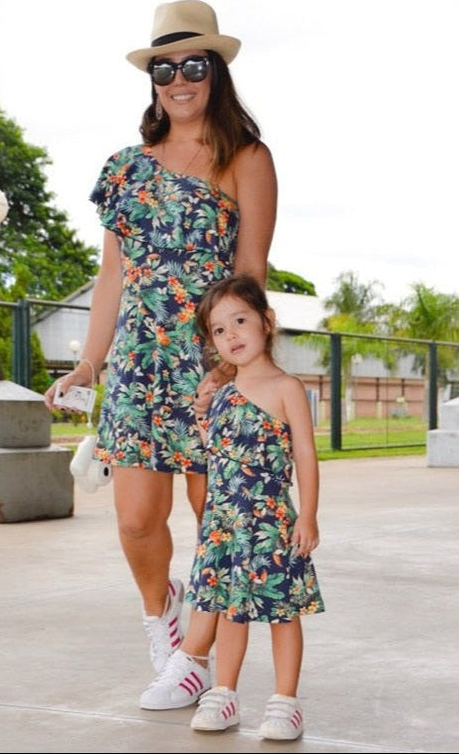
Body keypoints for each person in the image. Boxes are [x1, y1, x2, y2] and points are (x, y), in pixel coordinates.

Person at [44, 0, 277, 684]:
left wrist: (235, 370)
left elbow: (251, 275)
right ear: (153, 78)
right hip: (139, 368)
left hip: (210, 365)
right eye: (164, 67)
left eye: (192, 65)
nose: (178, 79)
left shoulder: (246, 157)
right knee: (137, 520)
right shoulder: (124, 169)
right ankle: (161, 619)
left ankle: (194, 659)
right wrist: (90, 360)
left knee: (215, 518)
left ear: (215, 73)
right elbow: (112, 275)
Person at [142, 275, 325, 741]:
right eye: (219, 330)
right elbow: (217, 455)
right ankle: (223, 693)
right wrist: (205, 414)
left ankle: (285, 703)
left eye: (240, 321)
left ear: (267, 322)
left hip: (268, 522)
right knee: (228, 611)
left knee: (282, 612)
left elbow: (305, 453)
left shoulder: (287, 387)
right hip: (224, 526)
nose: (231, 336)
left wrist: (307, 514)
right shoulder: (220, 393)